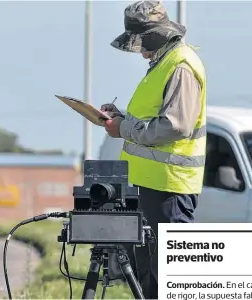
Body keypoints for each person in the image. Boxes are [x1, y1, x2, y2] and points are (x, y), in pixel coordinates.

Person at [100, 1, 207, 298]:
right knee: (152, 280)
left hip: (170, 187)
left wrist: (122, 129)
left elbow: (175, 125)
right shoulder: (165, 63)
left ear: (155, 35)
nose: (139, 49)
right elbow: (156, 120)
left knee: (171, 283)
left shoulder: (180, 65)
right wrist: (121, 118)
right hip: (154, 186)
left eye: (141, 40)